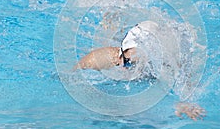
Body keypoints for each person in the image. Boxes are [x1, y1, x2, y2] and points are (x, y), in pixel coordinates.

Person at [74, 20, 206, 120]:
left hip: (171, 41)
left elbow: (184, 81)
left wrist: (185, 103)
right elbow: (86, 63)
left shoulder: (167, 61)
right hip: (146, 33)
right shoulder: (123, 53)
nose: (122, 67)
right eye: (124, 61)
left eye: (128, 64)